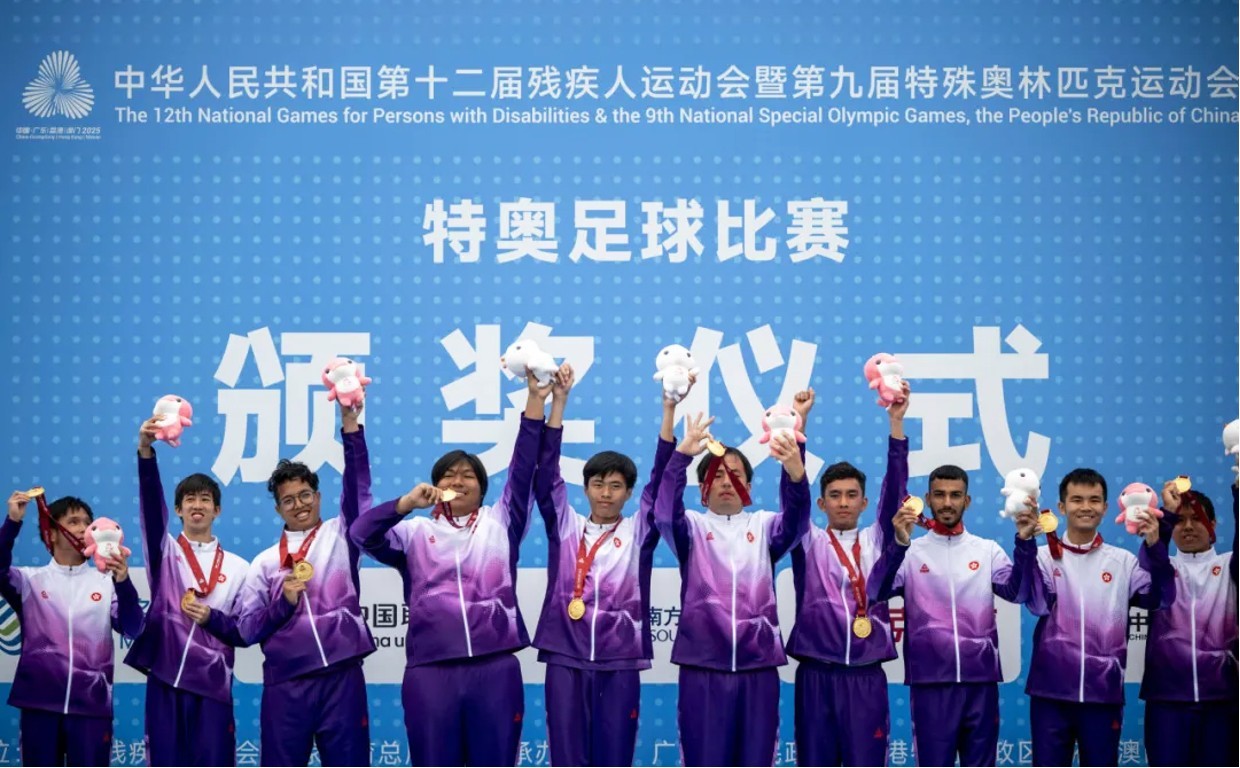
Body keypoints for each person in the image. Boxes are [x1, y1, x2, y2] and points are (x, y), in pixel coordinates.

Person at [350, 368, 549, 766]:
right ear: (435, 486)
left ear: (482, 489)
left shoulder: (502, 522)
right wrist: (404, 505)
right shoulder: (414, 533)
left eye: (468, 475)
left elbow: (524, 466)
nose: (458, 480)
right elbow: (361, 533)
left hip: (495, 668)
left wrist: (535, 399)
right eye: (448, 475)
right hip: (431, 671)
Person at [201, 401, 374, 766]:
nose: (299, 505)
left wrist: (350, 426)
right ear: (278, 509)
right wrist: (283, 604)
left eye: (305, 495)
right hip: (286, 685)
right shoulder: (264, 563)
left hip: (342, 679)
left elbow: (357, 484)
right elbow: (246, 630)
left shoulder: (342, 534)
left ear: (318, 497)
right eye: (289, 500)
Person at [531, 365, 679, 766]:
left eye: (616, 486)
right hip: (565, 656)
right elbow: (545, 478)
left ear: (629, 493)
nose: (606, 493)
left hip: (620, 659)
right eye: (598, 484)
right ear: (585, 489)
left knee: (614, 756)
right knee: (568, 757)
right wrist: (558, 403)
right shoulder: (566, 527)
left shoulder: (638, 532)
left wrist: (669, 411)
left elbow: (662, 482)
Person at [655, 396, 812, 767]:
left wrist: (795, 472)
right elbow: (663, 514)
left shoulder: (765, 525)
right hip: (703, 668)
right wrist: (681, 456)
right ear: (703, 487)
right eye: (717, 475)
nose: (727, 481)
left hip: (759, 667)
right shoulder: (691, 527)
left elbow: (796, 522)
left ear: (749, 485)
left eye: (736, 475)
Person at [883, 463, 1041, 767]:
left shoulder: (987, 551)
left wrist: (1024, 542)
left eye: (955, 495)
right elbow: (878, 590)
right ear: (927, 499)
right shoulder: (911, 553)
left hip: (980, 684)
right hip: (931, 684)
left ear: (967, 501)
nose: (947, 502)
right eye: (939, 494)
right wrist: (897, 546)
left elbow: (1018, 593)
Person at [784, 382, 909, 767]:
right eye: (835, 495)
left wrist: (896, 426)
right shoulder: (807, 539)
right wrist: (799, 427)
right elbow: (794, 498)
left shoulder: (877, 539)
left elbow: (895, 489)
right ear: (822, 503)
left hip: (866, 677)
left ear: (864, 502)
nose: (843, 502)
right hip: (816, 675)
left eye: (851, 495)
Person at [1024, 468, 1175, 767]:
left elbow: (1161, 599)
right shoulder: (1042, 557)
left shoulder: (1123, 562)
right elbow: (1037, 605)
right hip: (1050, 694)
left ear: (1106, 508)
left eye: (1094, 500)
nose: (1086, 507)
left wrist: (1155, 546)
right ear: (1062, 507)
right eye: (1077, 499)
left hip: (1103, 695)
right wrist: (1025, 544)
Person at [124, 417, 253, 766]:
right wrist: (146, 453)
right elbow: (151, 510)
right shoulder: (164, 552)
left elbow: (243, 631)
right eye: (189, 499)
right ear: (178, 509)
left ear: (217, 509)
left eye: (205, 499)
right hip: (166, 680)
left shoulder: (239, 568)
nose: (198, 505)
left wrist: (212, 618)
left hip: (213, 686)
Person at [1, 490, 143, 766]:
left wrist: (124, 582)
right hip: (39, 705)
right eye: (73, 522)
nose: (83, 529)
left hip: (91, 709)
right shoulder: (29, 581)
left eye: (87, 523)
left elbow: (133, 628)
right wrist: (12, 522)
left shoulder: (107, 583)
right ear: (52, 534)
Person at [1139, 475, 1237, 766]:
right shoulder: (1161, 568)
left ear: (1213, 524)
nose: (1189, 526)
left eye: (1197, 519)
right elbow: (1152, 562)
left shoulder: (1230, 567)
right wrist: (1166, 515)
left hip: (1223, 701)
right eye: (1180, 521)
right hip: (1166, 702)